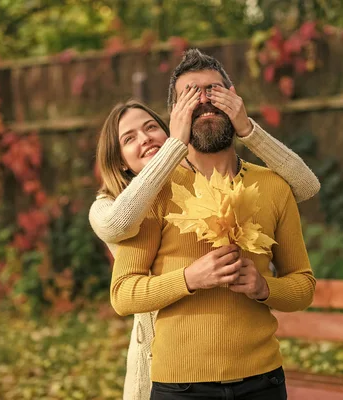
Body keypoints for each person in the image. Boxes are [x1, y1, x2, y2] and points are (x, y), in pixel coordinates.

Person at [106, 49, 316, 399]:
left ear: (234, 102)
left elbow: (303, 286)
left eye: (214, 92)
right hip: (180, 387)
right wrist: (190, 278)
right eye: (190, 95)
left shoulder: (274, 186)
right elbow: (122, 294)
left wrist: (264, 287)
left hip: (263, 382)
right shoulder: (153, 192)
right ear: (175, 116)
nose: (204, 102)